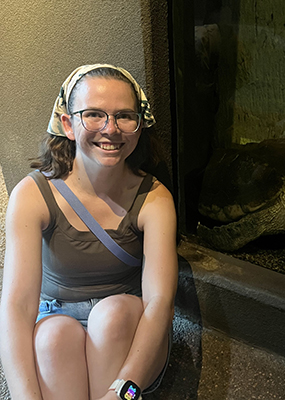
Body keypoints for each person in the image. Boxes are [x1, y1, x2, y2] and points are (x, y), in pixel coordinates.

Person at [0, 64, 178, 400]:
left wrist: (122, 393)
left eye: (124, 116)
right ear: (68, 123)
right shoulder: (33, 195)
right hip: (55, 318)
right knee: (54, 336)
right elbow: (17, 306)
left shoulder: (154, 199)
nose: (110, 129)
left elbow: (159, 304)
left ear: (139, 127)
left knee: (111, 317)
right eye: (94, 115)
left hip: (124, 327)